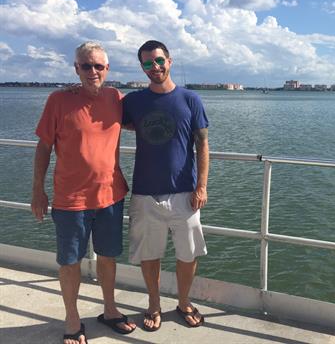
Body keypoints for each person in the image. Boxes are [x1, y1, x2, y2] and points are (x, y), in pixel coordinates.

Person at [31, 42, 136, 344]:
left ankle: (110, 308)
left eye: (98, 66)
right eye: (86, 66)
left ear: (107, 69)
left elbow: (147, 120)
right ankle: (72, 318)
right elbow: (43, 147)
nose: (93, 72)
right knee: (70, 261)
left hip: (110, 195)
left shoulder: (116, 98)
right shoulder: (58, 100)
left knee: (108, 256)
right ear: (76, 68)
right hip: (70, 199)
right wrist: (37, 190)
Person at [122, 40, 209, 332]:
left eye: (159, 61)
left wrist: (202, 186)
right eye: (147, 63)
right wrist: (75, 91)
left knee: (188, 253)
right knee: (150, 254)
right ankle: (154, 304)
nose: (154, 67)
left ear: (169, 61)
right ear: (142, 67)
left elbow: (203, 142)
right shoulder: (134, 102)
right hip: (145, 193)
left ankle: (183, 302)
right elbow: (105, 111)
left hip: (185, 192)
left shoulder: (190, 99)